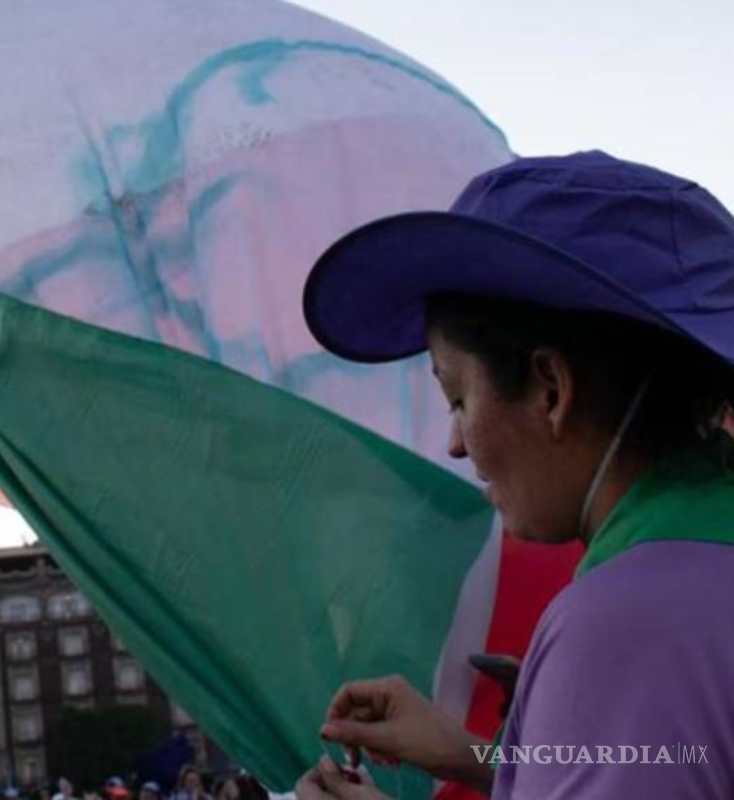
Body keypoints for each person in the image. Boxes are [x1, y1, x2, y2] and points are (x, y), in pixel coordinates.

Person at [296, 150, 734, 798]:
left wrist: (588, 683)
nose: (453, 443)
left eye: (458, 398)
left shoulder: (624, 625)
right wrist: (495, 753)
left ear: (551, 388)